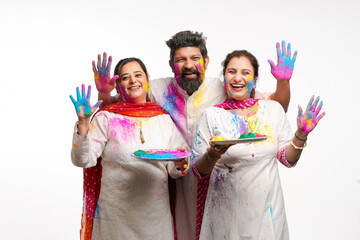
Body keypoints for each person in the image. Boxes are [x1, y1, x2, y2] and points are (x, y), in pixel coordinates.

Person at [94, 31, 298, 240]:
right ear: (171, 64)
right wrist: (103, 93)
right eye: (181, 60)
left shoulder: (224, 87)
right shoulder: (157, 88)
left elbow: (274, 107)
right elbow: (122, 109)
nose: (188, 65)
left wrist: (283, 82)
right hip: (178, 183)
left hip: (217, 183)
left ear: (206, 62)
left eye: (194, 59)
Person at [191, 50, 325, 239]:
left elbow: (287, 160)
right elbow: (198, 171)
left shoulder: (272, 110)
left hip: (268, 216)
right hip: (225, 217)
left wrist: (301, 134)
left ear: (255, 78)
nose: (238, 78)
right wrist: (213, 154)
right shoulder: (211, 116)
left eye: (245, 72)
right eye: (231, 71)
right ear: (224, 78)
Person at [70, 57, 189, 240]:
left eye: (138, 75)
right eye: (125, 77)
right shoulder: (107, 117)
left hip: (156, 219)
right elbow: (83, 160)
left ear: (147, 80)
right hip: (116, 219)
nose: (133, 80)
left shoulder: (163, 119)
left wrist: (181, 162)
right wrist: (83, 123)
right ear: (117, 86)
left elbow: (175, 168)